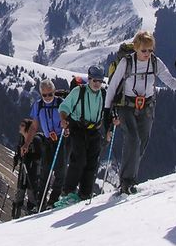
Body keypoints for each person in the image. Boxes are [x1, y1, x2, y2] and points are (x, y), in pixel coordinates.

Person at [104, 31, 176, 195]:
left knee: (142, 142)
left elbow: (168, 80)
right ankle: (126, 182)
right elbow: (113, 86)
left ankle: (130, 178)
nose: (147, 54)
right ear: (136, 48)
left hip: (147, 105)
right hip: (126, 105)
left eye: (150, 50)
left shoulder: (155, 62)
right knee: (132, 139)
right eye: (144, 50)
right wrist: (107, 111)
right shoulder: (126, 62)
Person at [55, 66, 107, 207]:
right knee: (79, 160)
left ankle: (85, 193)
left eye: (100, 81)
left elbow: (107, 111)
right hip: (78, 129)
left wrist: (110, 125)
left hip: (94, 131)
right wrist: (63, 119)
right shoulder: (79, 91)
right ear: (89, 79)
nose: (97, 84)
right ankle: (68, 192)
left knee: (92, 163)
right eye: (94, 80)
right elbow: (64, 107)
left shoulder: (103, 94)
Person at [24, 79, 67, 208]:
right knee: (45, 172)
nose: (47, 97)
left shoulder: (61, 103)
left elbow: (67, 120)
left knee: (60, 171)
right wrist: (26, 143)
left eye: (50, 94)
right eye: (44, 95)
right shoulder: (38, 105)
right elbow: (34, 127)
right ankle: (41, 202)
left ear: (54, 92)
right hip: (48, 140)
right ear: (41, 94)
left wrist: (66, 126)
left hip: (61, 139)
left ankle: (53, 200)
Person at [12, 118, 43, 218]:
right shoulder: (22, 139)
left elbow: (39, 155)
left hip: (33, 169)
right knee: (19, 191)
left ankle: (32, 213)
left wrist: (27, 156)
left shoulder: (36, 140)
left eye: (22, 125)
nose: (20, 127)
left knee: (31, 191)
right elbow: (19, 151)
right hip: (23, 168)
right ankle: (15, 215)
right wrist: (17, 157)